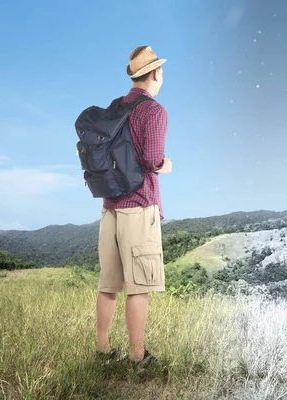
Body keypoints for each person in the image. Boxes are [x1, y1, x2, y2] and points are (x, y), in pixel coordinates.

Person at [95, 45, 172, 367]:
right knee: (139, 286)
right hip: (139, 206)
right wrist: (167, 165)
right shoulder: (153, 111)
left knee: (109, 284)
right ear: (154, 73)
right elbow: (152, 160)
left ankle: (102, 351)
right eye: (161, 70)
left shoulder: (115, 108)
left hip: (109, 205)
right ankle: (138, 357)